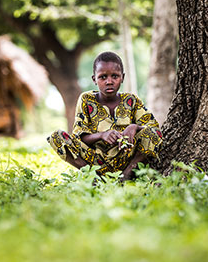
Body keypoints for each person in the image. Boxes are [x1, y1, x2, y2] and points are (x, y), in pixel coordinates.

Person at [47, 51, 163, 182]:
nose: (109, 81)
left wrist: (134, 127)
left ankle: (128, 174)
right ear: (94, 79)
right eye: (103, 77)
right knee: (56, 137)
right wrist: (102, 135)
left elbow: (153, 127)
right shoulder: (86, 99)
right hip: (95, 160)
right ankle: (93, 177)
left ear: (122, 77)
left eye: (115, 76)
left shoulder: (132, 100)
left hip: (126, 157)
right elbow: (79, 136)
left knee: (153, 133)